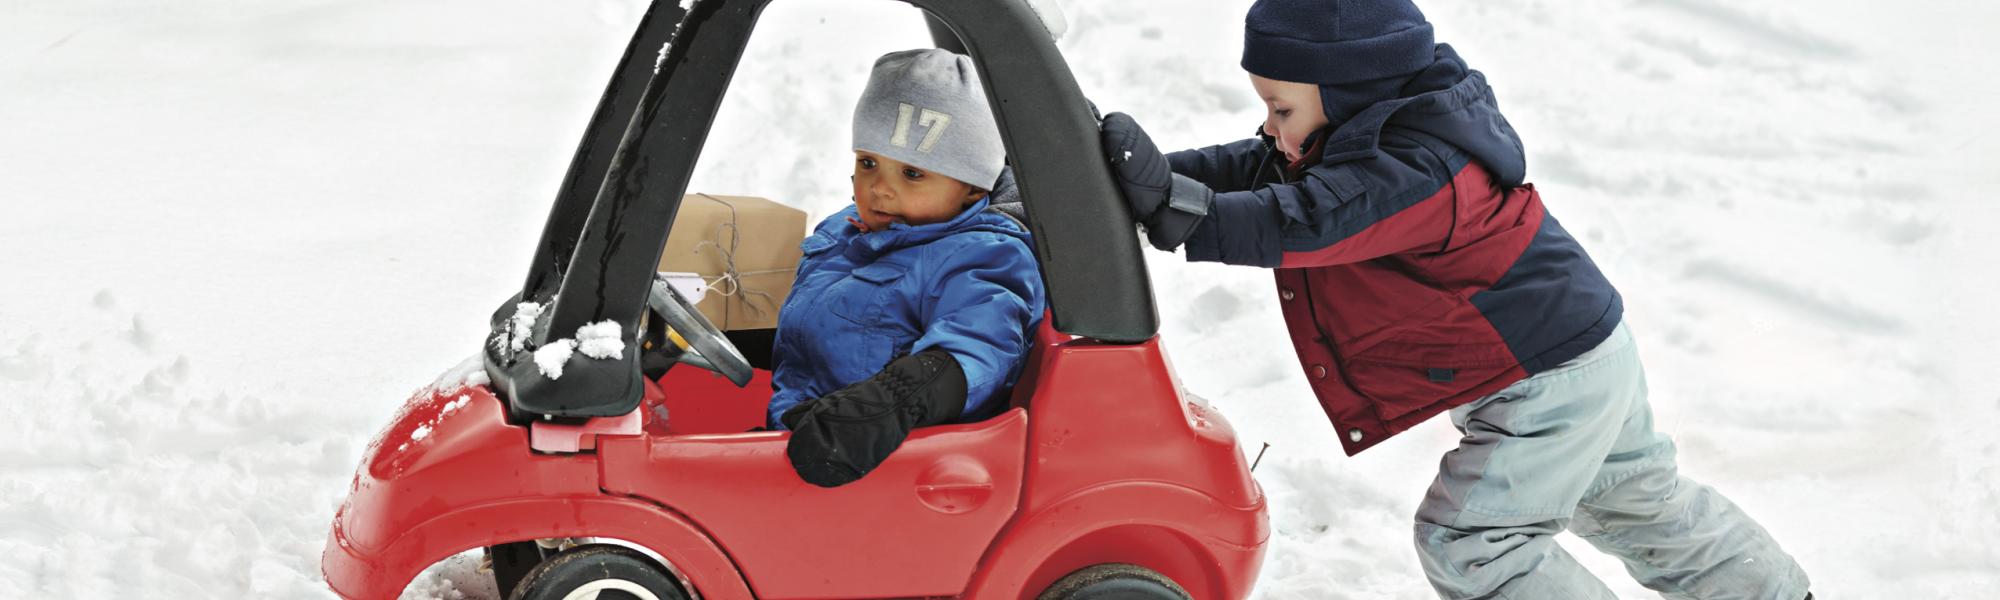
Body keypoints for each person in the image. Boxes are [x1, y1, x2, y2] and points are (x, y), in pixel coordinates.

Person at [1097, 1, 1812, 598]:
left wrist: (1185, 211)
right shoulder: (1371, 130)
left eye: (1280, 108)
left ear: (1347, 92)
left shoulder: (1420, 168)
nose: (1270, 130)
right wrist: (1158, 181)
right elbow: (1258, 167)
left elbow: (1307, 219)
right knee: (1639, 506)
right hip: (1578, 352)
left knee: (1473, 542)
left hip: (1549, 379)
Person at [769, 48, 1044, 489]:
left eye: (913, 174)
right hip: (799, 440)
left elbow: (979, 345)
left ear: (972, 189)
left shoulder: (980, 255)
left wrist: (890, 403)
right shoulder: (847, 231)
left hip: (884, 467)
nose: (880, 188)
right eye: (868, 162)